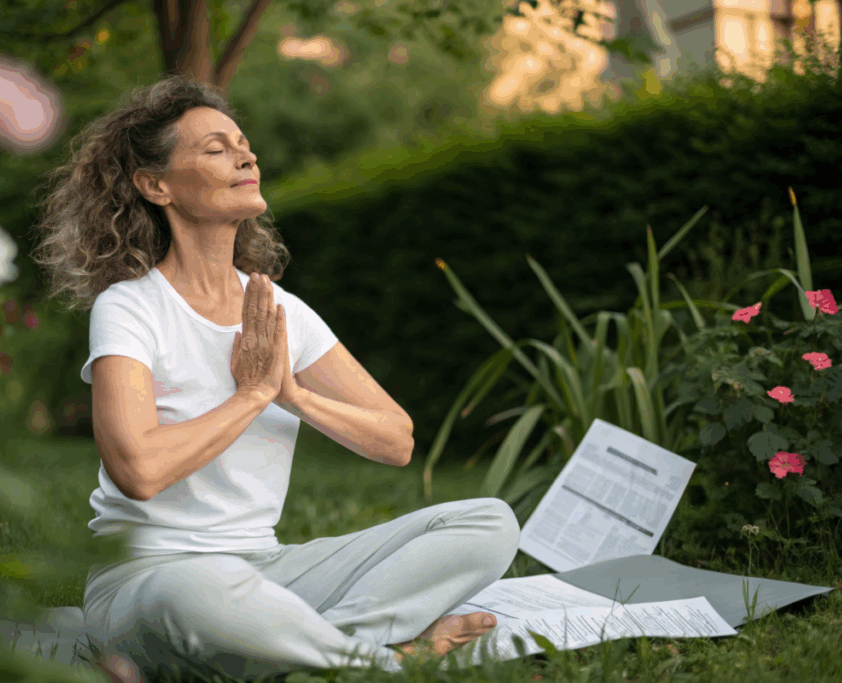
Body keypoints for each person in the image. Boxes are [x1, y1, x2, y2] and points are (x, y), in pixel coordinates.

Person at [29, 74, 521, 680]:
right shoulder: (131, 307)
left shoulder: (279, 310)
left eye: (243, 144)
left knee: (489, 522)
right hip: (151, 575)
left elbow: (397, 439)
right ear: (156, 185)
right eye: (215, 148)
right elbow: (139, 470)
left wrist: (292, 395)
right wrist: (254, 395)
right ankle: (377, 661)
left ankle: (330, 653)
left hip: (267, 568)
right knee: (197, 593)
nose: (246, 155)